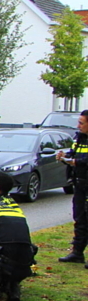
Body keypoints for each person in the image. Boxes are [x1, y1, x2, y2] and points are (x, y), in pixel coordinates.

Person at [56, 110, 88, 267]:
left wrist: (75, 162)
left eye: (81, 123)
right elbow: (73, 154)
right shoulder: (79, 138)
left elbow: (83, 160)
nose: (78, 126)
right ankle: (77, 253)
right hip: (80, 184)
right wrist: (64, 157)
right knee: (80, 218)